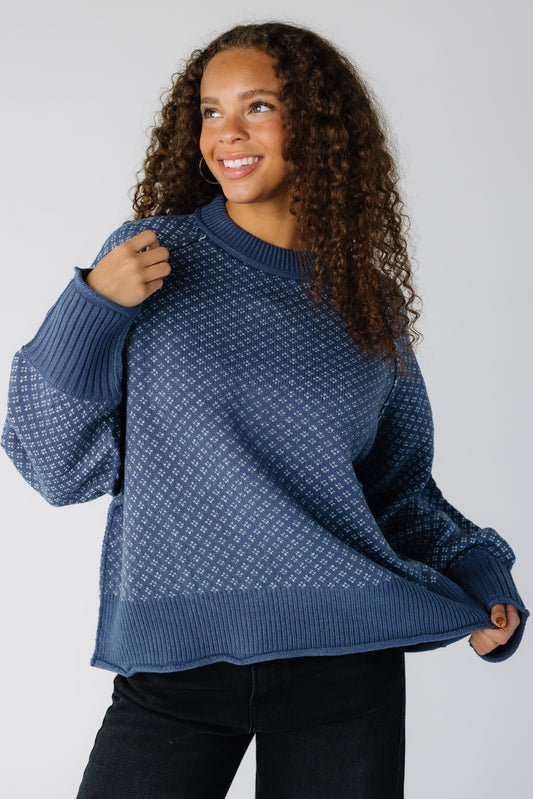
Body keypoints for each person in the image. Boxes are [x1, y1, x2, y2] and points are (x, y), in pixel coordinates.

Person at [1, 20, 527, 799]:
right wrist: (89, 309)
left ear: (317, 125)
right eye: (210, 112)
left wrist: (481, 577)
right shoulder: (148, 258)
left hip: (344, 667)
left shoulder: (367, 301)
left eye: (257, 107)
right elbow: (54, 466)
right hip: (175, 668)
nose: (227, 133)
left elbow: (397, 491)